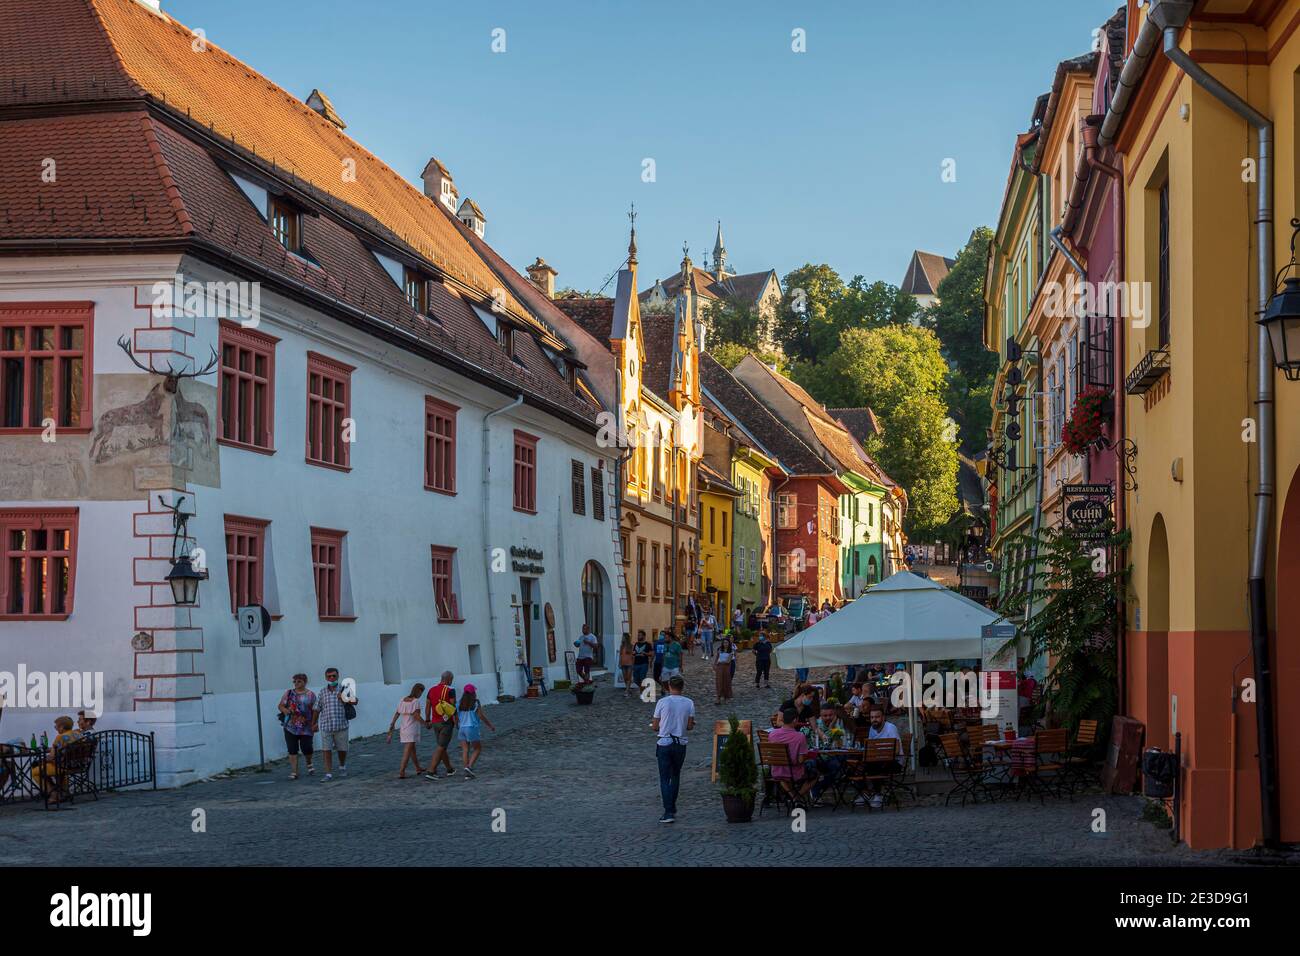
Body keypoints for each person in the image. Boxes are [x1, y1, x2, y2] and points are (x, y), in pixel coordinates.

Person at [651, 675, 695, 823]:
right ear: (682, 687)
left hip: (664, 743)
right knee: (675, 776)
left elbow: (655, 726)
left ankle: (668, 811)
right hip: (680, 743)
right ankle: (672, 806)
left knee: (664, 778)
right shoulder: (689, 703)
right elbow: (689, 726)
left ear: (669, 686)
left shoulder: (662, 702)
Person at [768, 708, 817, 806]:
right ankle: (797, 797)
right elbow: (800, 760)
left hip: (777, 771)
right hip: (794, 772)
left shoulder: (772, 734)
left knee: (783, 777)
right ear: (795, 720)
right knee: (815, 774)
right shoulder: (800, 736)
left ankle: (793, 798)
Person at [29, 716, 83, 802]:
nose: (56, 728)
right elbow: (65, 748)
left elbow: (52, 756)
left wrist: (41, 760)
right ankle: (64, 792)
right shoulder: (77, 734)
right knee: (58, 767)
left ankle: (54, 794)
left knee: (35, 772)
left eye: (56, 726)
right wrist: (52, 750)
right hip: (76, 765)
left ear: (61, 727)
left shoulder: (60, 737)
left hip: (63, 767)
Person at [314, 666, 353, 780]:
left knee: (342, 749)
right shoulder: (322, 692)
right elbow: (317, 708)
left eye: (333, 676)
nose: (331, 678)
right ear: (326, 677)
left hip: (341, 725)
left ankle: (342, 765)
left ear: (338, 676)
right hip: (326, 726)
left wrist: (345, 698)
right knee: (326, 750)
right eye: (329, 676)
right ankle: (328, 773)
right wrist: (314, 723)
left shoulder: (344, 689)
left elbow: (355, 701)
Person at [863, 703, 903, 809]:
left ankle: (878, 795)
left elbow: (897, 750)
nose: (874, 720)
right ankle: (865, 793)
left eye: (877, 717)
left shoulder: (891, 728)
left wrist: (879, 754)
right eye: (872, 717)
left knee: (872, 765)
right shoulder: (872, 729)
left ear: (883, 717)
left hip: (894, 762)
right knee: (858, 765)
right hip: (878, 761)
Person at [278, 674, 317, 779]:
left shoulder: (311, 695)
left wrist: (314, 723)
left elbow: (315, 710)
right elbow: (280, 705)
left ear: (305, 682)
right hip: (291, 725)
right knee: (292, 749)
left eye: (299, 681)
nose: (296, 683)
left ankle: (309, 763)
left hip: (306, 726)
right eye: (294, 681)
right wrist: (285, 710)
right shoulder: (289, 693)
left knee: (307, 748)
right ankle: (294, 772)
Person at [455, 683, 495, 778]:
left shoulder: (459, 702)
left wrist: (457, 725)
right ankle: (469, 766)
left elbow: (456, 716)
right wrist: (490, 725)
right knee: (477, 748)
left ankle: (466, 770)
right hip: (471, 728)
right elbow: (481, 716)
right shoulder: (475, 702)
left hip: (462, 728)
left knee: (465, 749)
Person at [387, 682, 426, 778]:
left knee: (412, 750)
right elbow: (416, 716)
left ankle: (417, 768)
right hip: (412, 728)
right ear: (419, 691)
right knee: (408, 751)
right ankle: (402, 771)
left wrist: (392, 724)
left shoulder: (402, 700)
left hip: (404, 728)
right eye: (421, 692)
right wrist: (425, 723)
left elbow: (397, 713)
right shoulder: (415, 702)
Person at [423, 671, 457, 779]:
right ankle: (431, 770)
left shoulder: (431, 690)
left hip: (435, 722)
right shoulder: (450, 690)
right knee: (441, 746)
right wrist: (457, 721)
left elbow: (428, 706)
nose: (452, 681)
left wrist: (427, 720)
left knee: (442, 746)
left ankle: (449, 769)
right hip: (446, 723)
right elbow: (452, 707)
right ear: (448, 679)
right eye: (451, 679)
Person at [713, 636, 735, 705]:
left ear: (729, 643)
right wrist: (714, 664)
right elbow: (717, 657)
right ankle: (718, 697)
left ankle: (726, 697)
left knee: (726, 682)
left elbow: (728, 661)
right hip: (719, 668)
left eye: (726, 642)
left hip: (726, 667)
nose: (725, 644)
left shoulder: (731, 651)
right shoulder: (720, 649)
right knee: (719, 682)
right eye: (724, 642)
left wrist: (721, 662)